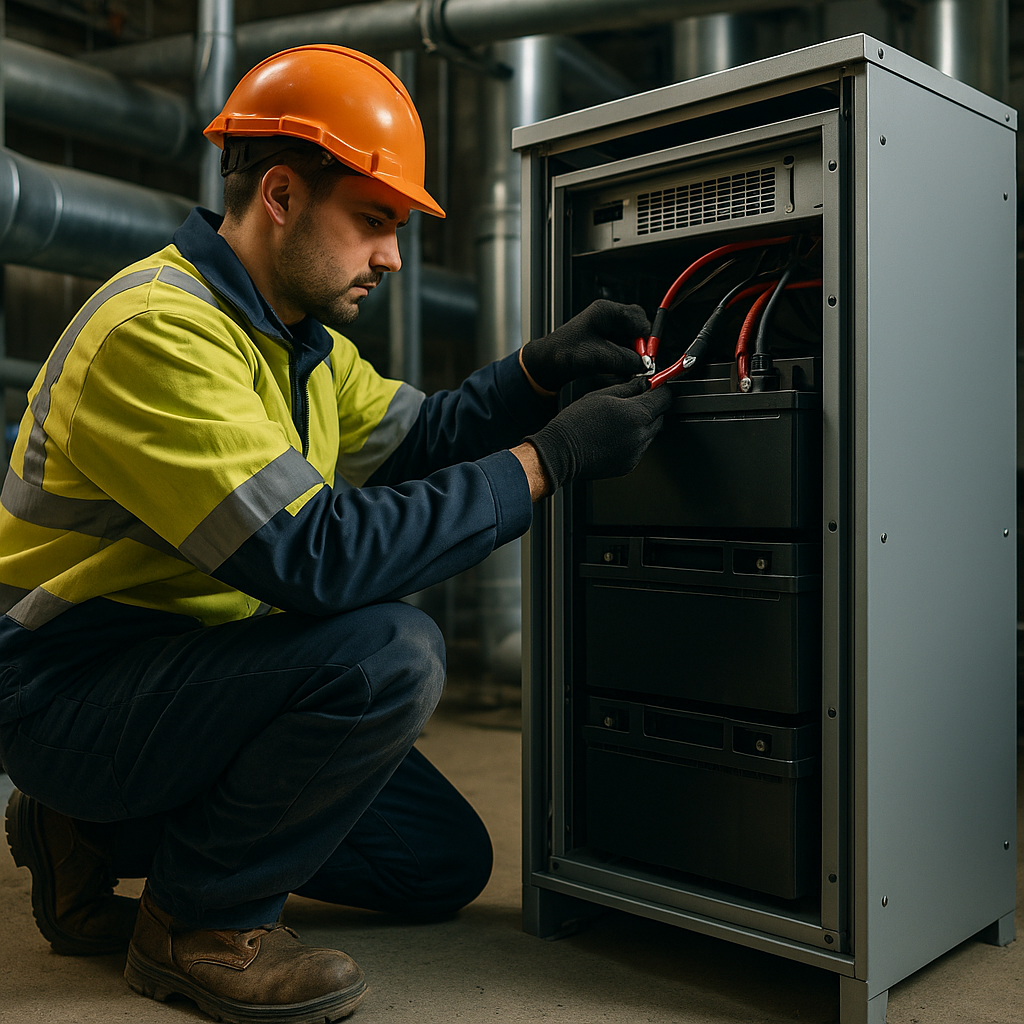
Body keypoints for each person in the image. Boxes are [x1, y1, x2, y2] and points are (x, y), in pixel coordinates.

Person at [0, 44, 671, 1024]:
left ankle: (93, 833)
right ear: (279, 195)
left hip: (197, 675)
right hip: (74, 688)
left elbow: (423, 436)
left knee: (437, 860)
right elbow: (316, 557)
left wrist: (535, 369)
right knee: (386, 654)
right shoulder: (159, 333)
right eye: (373, 222)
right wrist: (546, 462)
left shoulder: (298, 343)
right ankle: (195, 925)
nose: (393, 257)